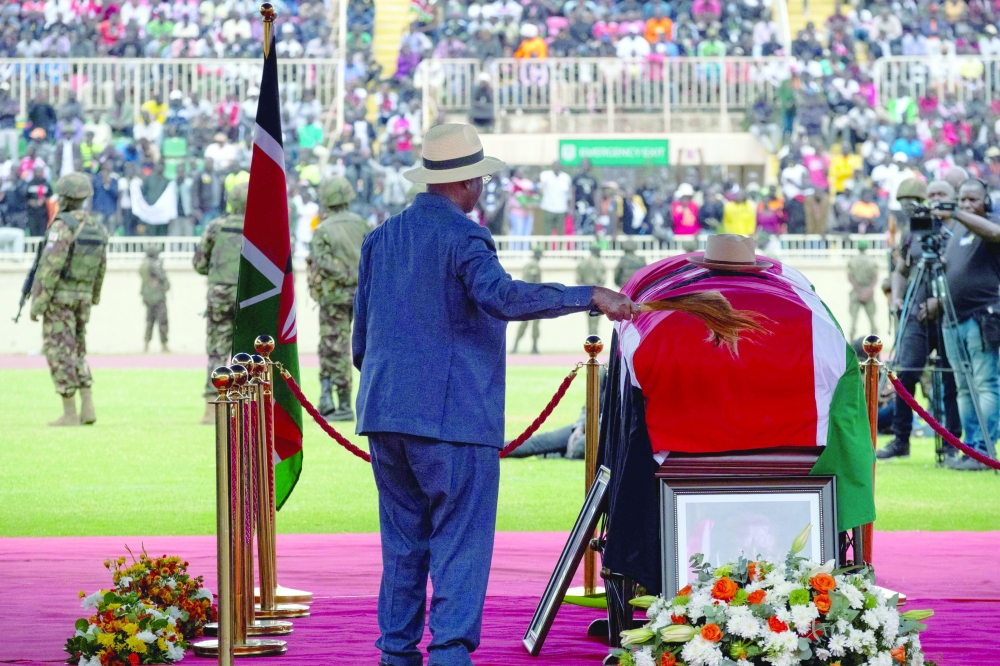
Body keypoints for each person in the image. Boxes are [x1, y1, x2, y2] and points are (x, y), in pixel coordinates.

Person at [351, 123, 638, 666]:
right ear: (466, 184)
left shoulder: (380, 238)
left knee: (404, 545)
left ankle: (396, 654)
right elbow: (501, 296)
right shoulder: (465, 237)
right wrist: (589, 296)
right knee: (460, 543)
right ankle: (452, 655)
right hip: (453, 419)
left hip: (386, 412)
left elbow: (361, 343)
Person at [880, 179, 962, 461]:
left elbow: (963, 273)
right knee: (905, 372)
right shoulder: (913, 232)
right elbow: (901, 270)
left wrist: (939, 302)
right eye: (933, 194)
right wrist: (897, 297)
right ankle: (901, 440)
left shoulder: (957, 230)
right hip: (915, 313)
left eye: (942, 194)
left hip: (949, 313)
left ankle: (953, 443)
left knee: (951, 377)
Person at [29, 173, 108, 426]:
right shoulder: (97, 227)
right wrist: (93, 297)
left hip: (60, 300)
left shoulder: (62, 226)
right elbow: (101, 268)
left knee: (59, 352)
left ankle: (70, 413)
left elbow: (49, 267)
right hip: (83, 298)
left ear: (63, 198)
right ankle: (88, 406)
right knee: (77, 350)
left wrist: (37, 303)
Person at [933, 178, 1000, 470]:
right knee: (963, 387)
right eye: (961, 200)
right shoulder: (957, 229)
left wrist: (958, 214)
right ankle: (969, 449)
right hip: (952, 319)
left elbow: (996, 234)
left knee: (985, 384)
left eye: (973, 200)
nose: (965, 205)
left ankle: (983, 450)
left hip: (981, 316)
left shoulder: (991, 223)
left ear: (986, 202)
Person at [308, 177, 369, 421]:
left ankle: (339, 404)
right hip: (362, 295)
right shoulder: (363, 224)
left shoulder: (323, 229)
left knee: (334, 347)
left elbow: (320, 262)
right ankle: (344, 402)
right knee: (364, 347)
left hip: (333, 297)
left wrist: (343, 275)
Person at [193, 182, 247, 424]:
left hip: (219, 294)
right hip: (249, 297)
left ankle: (210, 410)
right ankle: (246, 407)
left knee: (217, 351)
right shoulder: (261, 228)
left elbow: (199, 263)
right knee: (247, 353)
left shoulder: (216, 227)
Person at [512, 247, 543, 354]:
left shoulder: (530, 264)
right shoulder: (533, 265)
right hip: (531, 299)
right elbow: (531, 281)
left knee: (529, 324)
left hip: (528, 298)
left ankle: (528, 347)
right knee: (530, 324)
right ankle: (519, 347)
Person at [140, 244, 170, 353]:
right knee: (162, 321)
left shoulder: (144, 265)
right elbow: (162, 277)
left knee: (149, 321)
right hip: (157, 297)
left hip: (148, 297)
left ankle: (146, 345)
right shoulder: (153, 265)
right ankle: (164, 345)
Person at [847, 239, 878, 340]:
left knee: (853, 322)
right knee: (872, 321)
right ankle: (875, 345)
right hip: (869, 292)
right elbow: (875, 277)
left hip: (856, 291)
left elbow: (850, 277)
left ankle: (851, 343)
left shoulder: (852, 261)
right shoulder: (872, 261)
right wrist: (868, 290)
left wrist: (859, 291)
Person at [576, 244, 608, 335]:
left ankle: (590, 342)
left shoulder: (582, 263)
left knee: (589, 320)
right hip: (597, 295)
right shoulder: (599, 263)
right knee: (595, 321)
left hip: (586, 295)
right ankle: (594, 344)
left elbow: (578, 280)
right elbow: (602, 280)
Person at [537, 160, 572, 235]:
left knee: (561, 231)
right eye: (555, 165)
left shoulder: (566, 177)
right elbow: (539, 188)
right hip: (548, 208)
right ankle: (545, 247)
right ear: (552, 166)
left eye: (558, 166)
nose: (556, 167)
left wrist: (569, 208)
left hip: (561, 209)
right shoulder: (545, 175)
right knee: (546, 231)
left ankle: (560, 247)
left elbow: (569, 195)